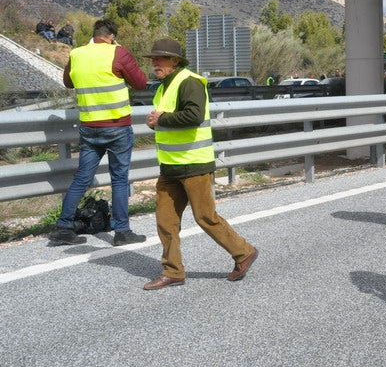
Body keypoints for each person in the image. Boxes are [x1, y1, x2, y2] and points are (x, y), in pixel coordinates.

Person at [143, 38, 258, 290]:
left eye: (159, 58)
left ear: (175, 61)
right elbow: (167, 120)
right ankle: (173, 271)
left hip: (194, 165)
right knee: (165, 221)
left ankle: (244, 252)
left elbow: (194, 116)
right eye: (153, 59)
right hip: (170, 167)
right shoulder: (163, 87)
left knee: (205, 217)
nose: (154, 63)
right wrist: (155, 122)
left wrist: (161, 119)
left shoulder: (190, 82)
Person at [48, 19, 148, 246]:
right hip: (117, 126)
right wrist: (118, 51)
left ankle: (63, 227)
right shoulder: (118, 52)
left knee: (82, 177)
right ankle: (122, 231)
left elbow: (68, 82)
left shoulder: (77, 53)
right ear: (112, 36)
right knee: (119, 179)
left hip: (89, 127)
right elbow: (140, 83)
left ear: (94, 35)